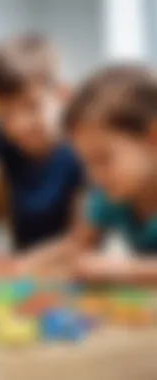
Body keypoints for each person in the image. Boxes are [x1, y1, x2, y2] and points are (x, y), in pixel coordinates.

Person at [0, 34, 84, 275]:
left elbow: (80, 239)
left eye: (32, 106)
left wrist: (15, 267)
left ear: (62, 95)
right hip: (20, 262)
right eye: (6, 113)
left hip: (69, 268)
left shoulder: (83, 146)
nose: (18, 125)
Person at [63, 64, 157, 284]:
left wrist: (125, 269)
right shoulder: (108, 195)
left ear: (152, 139)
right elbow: (79, 255)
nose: (95, 176)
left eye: (103, 159)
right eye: (87, 163)